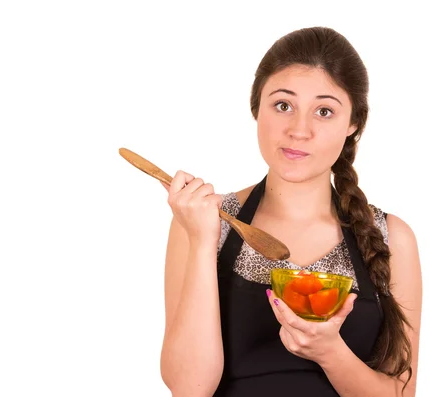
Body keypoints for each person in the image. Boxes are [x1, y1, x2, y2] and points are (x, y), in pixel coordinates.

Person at [159, 26, 422, 397]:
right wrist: (203, 241)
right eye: (283, 105)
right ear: (256, 108)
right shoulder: (203, 221)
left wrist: (329, 353)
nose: (299, 130)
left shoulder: (392, 238)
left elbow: (401, 394)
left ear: (354, 124)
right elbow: (189, 388)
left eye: (324, 111)